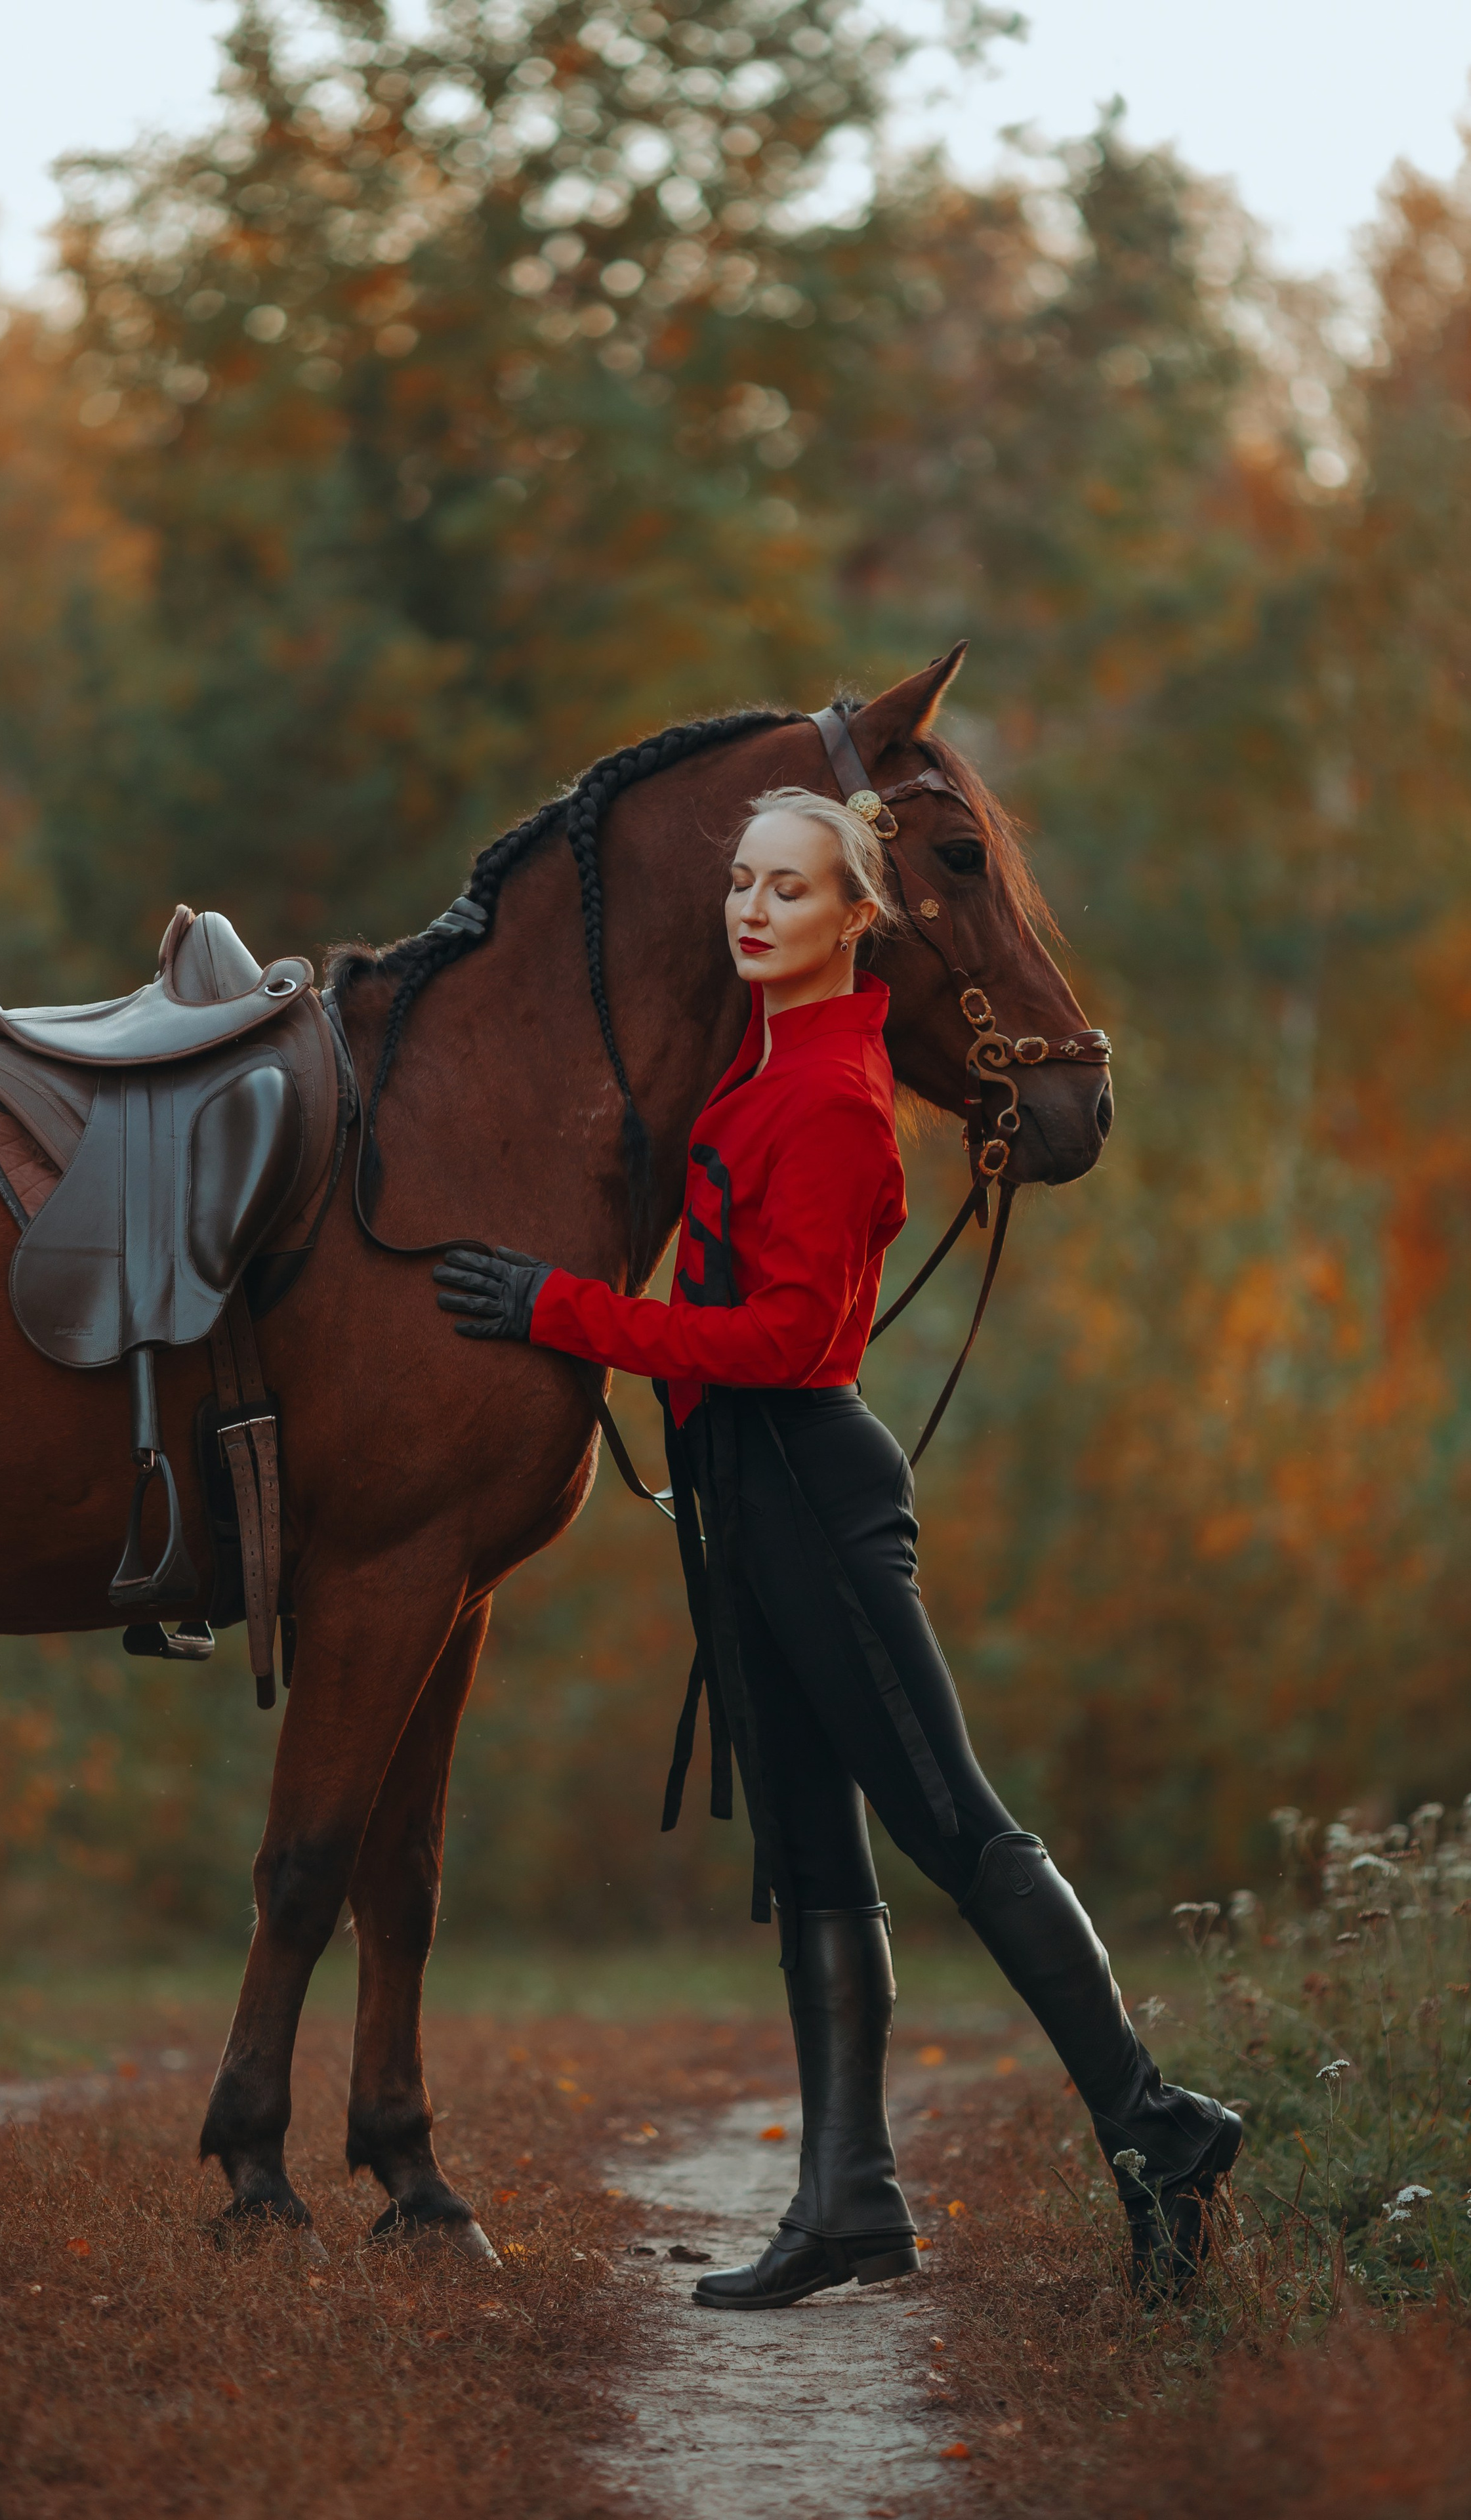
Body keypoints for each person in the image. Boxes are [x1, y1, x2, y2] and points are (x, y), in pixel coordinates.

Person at [434, 787, 1239, 2310]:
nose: (750, 910)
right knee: (810, 1854)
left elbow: (792, 1338)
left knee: (953, 1823)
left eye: (789, 890)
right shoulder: (764, 1057)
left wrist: (561, 1313)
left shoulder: (827, 1098)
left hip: (805, 1482)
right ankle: (848, 2202)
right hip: (743, 1494)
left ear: (853, 923)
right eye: (740, 882)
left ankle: (1157, 2127)